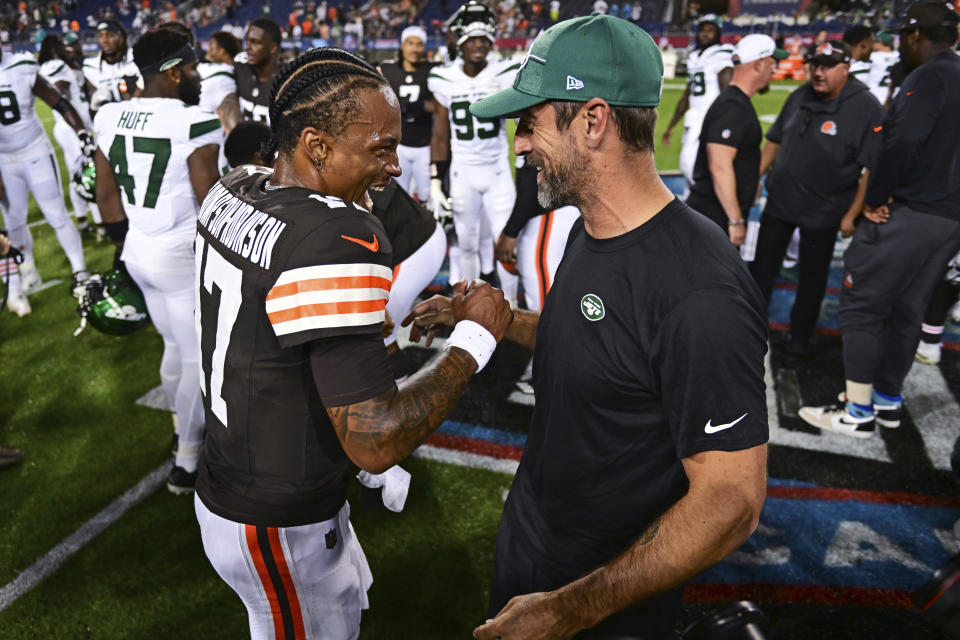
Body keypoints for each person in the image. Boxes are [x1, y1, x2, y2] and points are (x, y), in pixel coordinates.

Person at [410, 15, 769, 638]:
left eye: (531, 122)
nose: (520, 145)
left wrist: (572, 608)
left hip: (601, 592)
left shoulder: (699, 290)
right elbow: (595, 340)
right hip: (537, 538)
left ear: (594, 121)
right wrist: (498, 320)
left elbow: (732, 502)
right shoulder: (590, 226)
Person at [192, 47, 512, 639]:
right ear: (315, 145)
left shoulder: (234, 187)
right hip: (275, 512)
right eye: (381, 148)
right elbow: (374, 440)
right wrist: (473, 341)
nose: (394, 167)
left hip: (238, 472)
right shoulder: (336, 236)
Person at [799, 2, 960, 438]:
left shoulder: (927, 76)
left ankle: (858, 412)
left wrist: (876, 196)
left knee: (863, 306)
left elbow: (903, 140)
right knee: (909, 310)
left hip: (909, 212)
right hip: (948, 218)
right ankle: (888, 402)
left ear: (912, 36)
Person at [93, 28, 223, 491]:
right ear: (171, 72)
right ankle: (187, 461)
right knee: (198, 360)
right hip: (182, 252)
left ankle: (178, 431)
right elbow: (209, 197)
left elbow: (105, 195)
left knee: (172, 345)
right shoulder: (195, 120)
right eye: (190, 67)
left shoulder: (108, 115)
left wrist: (122, 249)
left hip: (138, 249)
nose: (198, 75)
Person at [750, 41, 883, 356]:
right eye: (815, 65)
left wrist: (852, 214)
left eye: (827, 66)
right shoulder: (800, 94)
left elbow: (872, 170)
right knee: (761, 271)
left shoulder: (866, 107)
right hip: (781, 200)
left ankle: (800, 336)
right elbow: (773, 141)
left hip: (825, 209)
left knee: (812, 279)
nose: (818, 72)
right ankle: (750, 326)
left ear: (846, 69)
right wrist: (754, 179)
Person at [428, 0, 521, 296]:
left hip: (497, 169)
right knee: (466, 243)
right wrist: (434, 177)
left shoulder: (506, 72)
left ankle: (509, 312)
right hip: (463, 171)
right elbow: (440, 133)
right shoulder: (444, 77)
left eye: (485, 40)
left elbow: (525, 119)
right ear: (461, 42)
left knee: (505, 244)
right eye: (472, 40)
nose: (479, 45)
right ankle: (467, 309)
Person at [0, 45, 93, 307]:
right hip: (3, 159)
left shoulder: (21, 65)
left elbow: (57, 101)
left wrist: (82, 133)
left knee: (56, 214)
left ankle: (80, 271)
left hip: (34, 151)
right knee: (13, 221)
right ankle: (24, 274)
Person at [686, 34, 786, 246]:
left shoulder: (734, 102)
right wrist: (735, 220)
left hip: (715, 215)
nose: (774, 69)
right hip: (716, 217)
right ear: (759, 64)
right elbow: (719, 166)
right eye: (772, 62)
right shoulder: (733, 106)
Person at [38, 34, 102, 238]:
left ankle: (83, 222)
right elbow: (59, 92)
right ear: (55, 49)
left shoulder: (68, 64)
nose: (69, 48)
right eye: (64, 45)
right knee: (90, 173)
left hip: (75, 127)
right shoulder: (54, 65)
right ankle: (101, 224)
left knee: (79, 173)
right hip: (72, 128)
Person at [661, 14, 734, 191]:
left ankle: (705, 200)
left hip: (710, 118)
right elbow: (687, 95)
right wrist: (670, 127)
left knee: (690, 165)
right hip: (693, 118)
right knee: (689, 166)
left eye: (710, 30)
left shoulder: (721, 54)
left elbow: (728, 93)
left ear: (718, 33)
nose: (705, 34)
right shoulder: (695, 56)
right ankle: (696, 203)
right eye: (702, 30)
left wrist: (726, 121)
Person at [378, 26, 439, 202]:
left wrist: (422, 106)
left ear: (424, 47)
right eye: (410, 43)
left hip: (425, 145)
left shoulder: (433, 71)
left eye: (419, 44)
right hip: (398, 146)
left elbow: (441, 106)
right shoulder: (388, 70)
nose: (414, 48)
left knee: (427, 196)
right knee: (398, 195)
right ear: (402, 45)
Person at [158, 22, 242, 134]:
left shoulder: (221, 76)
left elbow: (235, 128)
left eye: (211, 46)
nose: (208, 50)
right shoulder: (220, 71)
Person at [83, 19, 139, 111]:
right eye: (100, 36)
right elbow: (93, 107)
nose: (105, 40)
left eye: (110, 35)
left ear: (121, 38)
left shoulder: (136, 57)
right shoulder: (91, 66)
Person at [236, 17, 281, 123]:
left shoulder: (289, 82)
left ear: (273, 47)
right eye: (246, 41)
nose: (247, 47)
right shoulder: (240, 67)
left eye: (255, 42)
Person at [868, 31, 900, 106]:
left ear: (881, 42)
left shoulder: (873, 56)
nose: (874, 44)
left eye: (876, 42)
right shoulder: (899, 56)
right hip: (894, 98)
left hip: (875, 96)